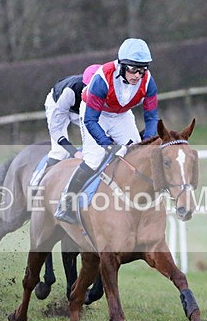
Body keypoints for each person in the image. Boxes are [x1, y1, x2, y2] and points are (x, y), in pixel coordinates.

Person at [55, 38, 159, 224]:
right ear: (121, 66)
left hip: (121, 115)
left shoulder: (148, 81)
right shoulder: (102, 79)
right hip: (95, 114)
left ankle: (134, 202)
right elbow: (90, 120)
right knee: (94, 159)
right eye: (133, 69)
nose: (138, 75)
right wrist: (108, 145)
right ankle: (65, 202)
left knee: (136, 154)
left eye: (142, 69)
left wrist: (148, 141)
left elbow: (151, 117)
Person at [43, 63, 101, 167]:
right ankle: (38, 179)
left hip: (77, 105)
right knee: (60, 152)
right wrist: (74, 152)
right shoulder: (69, 93)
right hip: (58, 103)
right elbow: (55, 130)